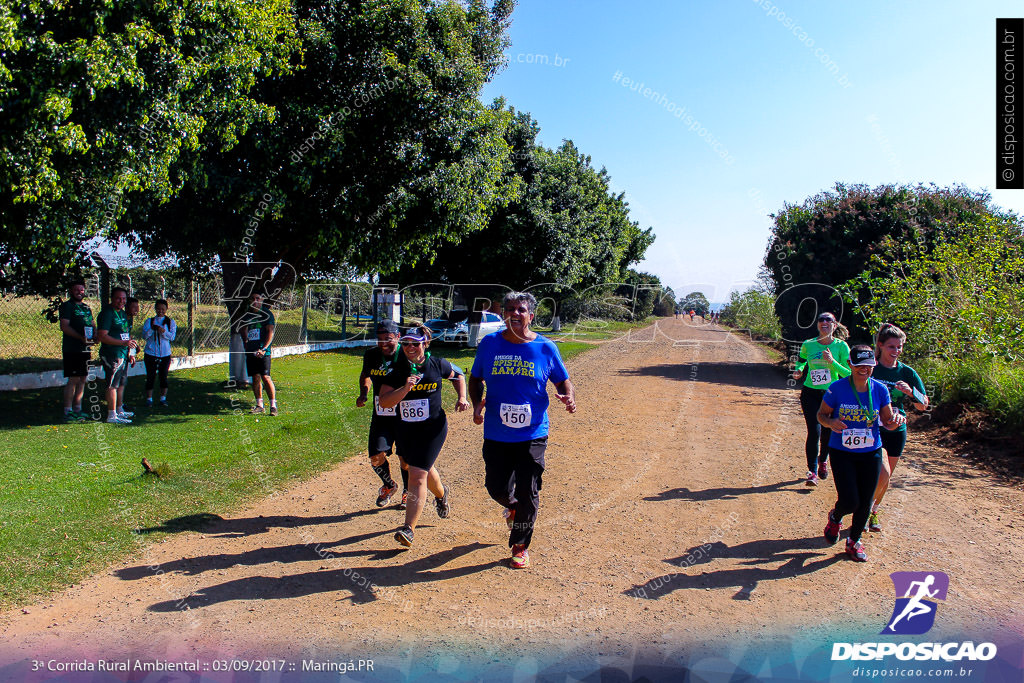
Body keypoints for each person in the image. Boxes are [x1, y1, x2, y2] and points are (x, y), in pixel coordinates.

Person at [469, 292, 576, 569]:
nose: (515, 314)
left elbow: (563, 381)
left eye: (521, 310)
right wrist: (476, 406)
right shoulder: (490, 344)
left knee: (529, 490)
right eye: (510, 309)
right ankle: (512, 505)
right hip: (496, 430)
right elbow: (476, 378)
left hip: (533, 432)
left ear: (531, 315)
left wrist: (568, 396)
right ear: (504, 313)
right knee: (496, 487)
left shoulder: (545, 347)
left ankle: (520, 545)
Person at [378, 323, 468, 547]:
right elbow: (385, 401)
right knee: (416, 467)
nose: (409, 347)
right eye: (405, 343)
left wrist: (462, 397)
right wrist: (405, 389)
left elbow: (459, 376)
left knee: (416, 475)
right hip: (406, 429)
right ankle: (441, 494)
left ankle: (408, 529)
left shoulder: (437, 364)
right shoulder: (396, 370)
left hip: (433, 429)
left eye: (414, 343)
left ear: (425, 344)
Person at [818, 345, 905, 562]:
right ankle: (836, 516)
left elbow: (887, 422)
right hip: (842, 452)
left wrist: (896, 421)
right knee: (850, 500)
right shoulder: (836, 389)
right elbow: (821, 415)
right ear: (850, 365)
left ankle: (854, 541)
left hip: (871, 451)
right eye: (859, 366)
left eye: (869, 366)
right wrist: (830, 422)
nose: (864, 369)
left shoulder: (880, 390)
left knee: (865, 501)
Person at [868, 323, 928, 532]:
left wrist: (912, 392)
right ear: (881, 346)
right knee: (878, 472)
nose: (896, 351)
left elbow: (923, 405)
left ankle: (872, 512)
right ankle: (862, 508)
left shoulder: (907, 372)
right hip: (870, 427)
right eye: (892, 347)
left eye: (899, 347)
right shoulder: (871, 367)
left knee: (885, 478)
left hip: (896, 429)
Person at [793, 312, 852, 486]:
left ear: (834, 325)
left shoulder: (842, 347)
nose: (824, 322)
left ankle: (823, 461)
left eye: (828, 320)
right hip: (810, 393)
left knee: (827, 431)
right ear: (818, 325)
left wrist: (832, 361)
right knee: (814, 431)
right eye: (821, 320)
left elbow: (848, 373)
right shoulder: (808, 344)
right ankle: (812, 472)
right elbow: (801, 360)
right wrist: (799, 370)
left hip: (832, 395)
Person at [357, 320, 410, 508]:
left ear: (397, 337)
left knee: (405, 459)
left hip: (405, 415)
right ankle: (389, 485)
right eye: (379, 340)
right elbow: (366, 375)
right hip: (382, 414)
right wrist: (364, 393)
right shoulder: (372, 355)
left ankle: (408, 490)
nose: (383, 344)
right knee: (376, 456)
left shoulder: (406, 355)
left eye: (388, 339)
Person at [96, 287, 138, 424]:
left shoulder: (121, 314)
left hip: (122, 353)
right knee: (112, 384)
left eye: (124, 299)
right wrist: (123, 343)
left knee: (120, 383)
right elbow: (102, 336)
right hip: (112, 354)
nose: (122, 301)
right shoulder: (107, 314)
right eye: (118, 298)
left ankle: (119, 409)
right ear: (112, 298)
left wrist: (130, 352)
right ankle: (111, 415)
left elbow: (126, 335)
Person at [58, 280, 95, 422]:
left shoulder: (86, 308)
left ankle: (78, 408)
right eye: (76, 290)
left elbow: (92, 324)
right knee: (73, 379)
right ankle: (68, 410)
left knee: (82, 378)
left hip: (84, 349)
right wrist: (81, 338)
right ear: (71, 291)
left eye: (81, 290)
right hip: (72, 348)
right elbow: (64, 326)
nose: (79, 292)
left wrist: (95, 335)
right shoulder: (67, 306)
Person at [243, 292, 278, 416]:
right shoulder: (248, 315)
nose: (255, 301)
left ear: (262, 300)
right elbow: (245, 330)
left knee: (265, 376)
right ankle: (259, 405)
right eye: (252, 298)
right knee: (255, 377)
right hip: (252, 351)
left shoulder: (266, 314)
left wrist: (263, 348)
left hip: (263, 352)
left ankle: (273, 406)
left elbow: (270, 332)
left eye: (258, 298)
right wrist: (246, 345)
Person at [142, 299, 177, 408]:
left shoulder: (170, 322)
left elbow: (172, 337)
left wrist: (163, 331)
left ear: (166, 309)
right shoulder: (150, 321)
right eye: (158, 309)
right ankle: (149, 399)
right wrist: (153, 329)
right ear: (155, 309)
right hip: (151, 352)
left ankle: (163, 398)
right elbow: (145, 336)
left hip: (165, 353)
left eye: (163, 309)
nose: (160, 311)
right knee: (150, 376)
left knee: (163, 376)